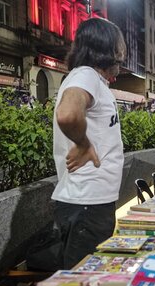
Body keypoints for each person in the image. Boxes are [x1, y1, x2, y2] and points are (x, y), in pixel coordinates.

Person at [51, 18, 126, 269]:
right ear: (105, 47)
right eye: (119, 46)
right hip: (86, 205)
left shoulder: (93, 79)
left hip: (91, 203)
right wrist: (83, 144)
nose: (123, 53)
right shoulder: (85, 75)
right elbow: (68, 114)